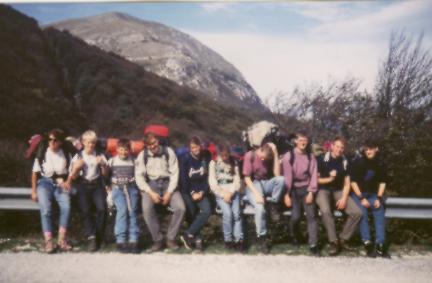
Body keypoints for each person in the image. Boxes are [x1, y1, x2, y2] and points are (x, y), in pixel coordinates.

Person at [135, 132, 185, 252]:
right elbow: (139, 177)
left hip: (168, 183)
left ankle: (170, 238)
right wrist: (150, 193)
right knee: (146, 209)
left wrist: (169, 192)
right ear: (146, 146)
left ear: (158, 141)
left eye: (154, 143)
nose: (152, 146)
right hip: (151, 184)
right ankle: (157, 239)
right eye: (149, 145)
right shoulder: (143, 155)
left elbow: (175, 174)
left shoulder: (169, 152)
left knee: (180, 208)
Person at [315, 137, 362, 255]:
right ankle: (333, 241)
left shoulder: (345, 161)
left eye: (342, 147)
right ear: (332, 146)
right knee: (326, 211)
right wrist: (330, 178)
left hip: (338, 190)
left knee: (357, 213)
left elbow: (347, 183)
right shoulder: (321, 159)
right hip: (323, 190)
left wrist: (344, 198)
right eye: (337, 146)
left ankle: (342, 239)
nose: (339, 150)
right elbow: (316, 180)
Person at [31, 129, 73, 253]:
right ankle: (48, 241)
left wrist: (68, 182)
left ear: (60, 142)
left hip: (61, 183)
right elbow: (34, 173)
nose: (52, 142)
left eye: (55, 140)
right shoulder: (42, 153)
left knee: (66, 207)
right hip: (44, 182)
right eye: (50, 139)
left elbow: (72, 171)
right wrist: (34, 191)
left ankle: (61, 240)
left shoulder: (65, 153)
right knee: (46, 209)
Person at [66, 130, 108, 252]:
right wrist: (76, 168)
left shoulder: (99, 155)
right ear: (83, 142)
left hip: (96, 185)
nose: (91, 145)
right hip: (83, 185)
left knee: (102, 209)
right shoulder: (78, 156)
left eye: (93, 143)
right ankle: (92, 237)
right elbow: (72, 177)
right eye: (88, 142)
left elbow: (105, 175)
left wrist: (103, 165)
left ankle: (99, 236)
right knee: (85, 210)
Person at [243, 142, 285, 254]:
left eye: (265, 159)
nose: (263, 160)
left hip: (265, 183)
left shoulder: (269, 157)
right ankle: (262, 237)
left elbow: (277, 174)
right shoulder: (250, 155)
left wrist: (275, 154)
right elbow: (247, 179)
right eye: (262, 157)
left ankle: (274, 205)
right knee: (260, 208)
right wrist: (257, 195)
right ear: (260, 149)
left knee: (281, 180)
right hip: (253, 185)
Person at [282, 131, 320, 256]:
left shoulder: (310, 157)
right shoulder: (288, 157)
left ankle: (313, 244)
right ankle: (295, 235)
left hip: (306, 188)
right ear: (295, 141)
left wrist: (311, 192)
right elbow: (287, 177)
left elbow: (313, 175)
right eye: (301, 140)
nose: (303, 142)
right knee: (295, 217)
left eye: (305, 140)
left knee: (311, 216)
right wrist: (286, 194)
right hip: (293, 189)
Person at [350, 139, 389, 258]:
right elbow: (353, 182)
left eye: (371, 148)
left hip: (372, 195)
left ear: (376, 149)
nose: (368, 151)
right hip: (359, 194)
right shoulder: (358, 162)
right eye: (366, 149)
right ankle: (367, 243)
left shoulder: (380, 164)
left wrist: (378, 198)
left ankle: (380, 244)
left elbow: (382, 182)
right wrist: (361, 198)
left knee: (379, 212)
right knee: (363, 214)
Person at [106, 138, 140, 253]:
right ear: (117, 149)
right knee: (122, 211)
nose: (123, 152)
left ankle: (133, 240)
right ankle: (120, 240)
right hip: (117, 189)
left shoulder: (134, 161)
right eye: (121, 150)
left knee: (133, 212)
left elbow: (139, 175)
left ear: (130, 150)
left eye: (126, 150)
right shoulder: (112, 161)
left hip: (131, 188)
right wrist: (108, 186)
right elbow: (106, 175)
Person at [179, 136, 212, 251]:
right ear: (189, 148)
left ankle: (187, 235)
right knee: (191, 211)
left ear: (200, 146)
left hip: (202, 190)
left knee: (207, 210)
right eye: (192, 147)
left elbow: (209, 177)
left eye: (197, 146)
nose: (195, 149)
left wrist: (202, 192)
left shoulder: (206, 156)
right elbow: (183, 179)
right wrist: (192, 193)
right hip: (188, 191)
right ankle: (197, 240)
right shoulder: (185, 158)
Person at [209, 144, 244, 251]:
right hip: (221, 192)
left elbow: (237, 180)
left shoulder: (234, 162)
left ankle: (239, 240)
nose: (225, 158)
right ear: (219, 154)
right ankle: (228, 240)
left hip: (233, 191)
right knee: (228, 214)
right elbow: (212, 182)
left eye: (226, 155)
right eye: (222, 155)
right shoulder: (214, 163)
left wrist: (231, 193)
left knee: (237, 214)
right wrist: (223, 194)